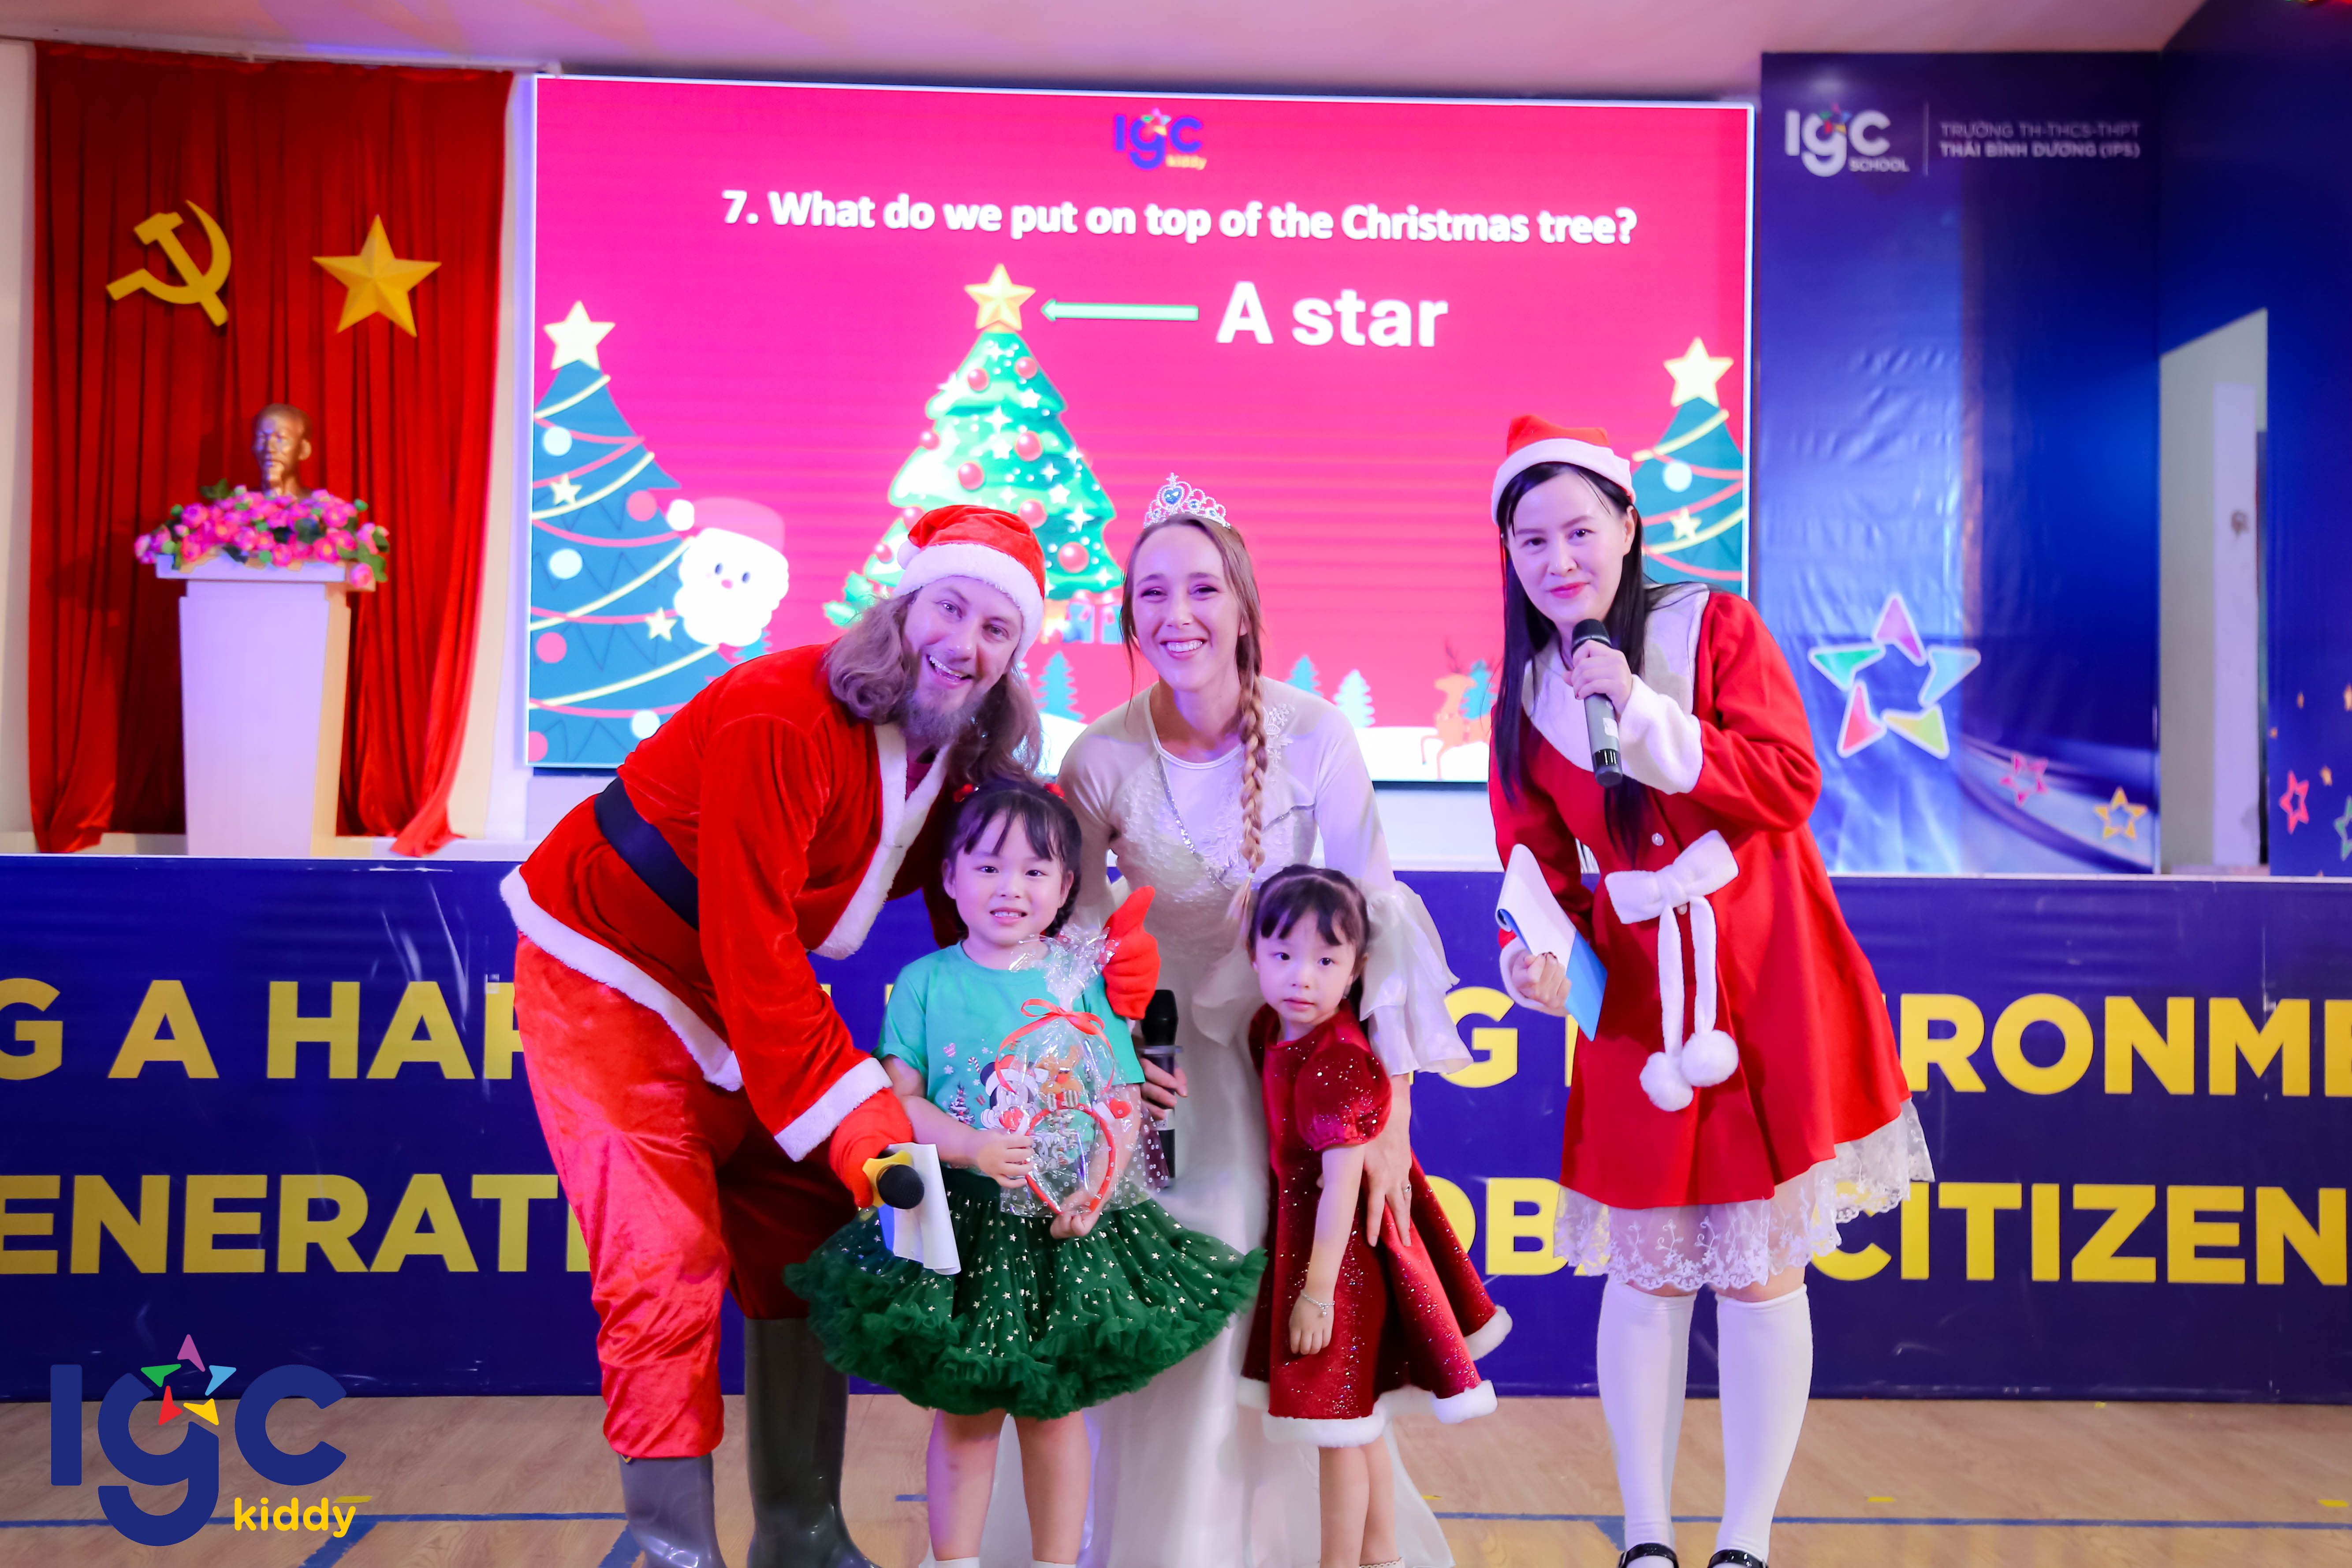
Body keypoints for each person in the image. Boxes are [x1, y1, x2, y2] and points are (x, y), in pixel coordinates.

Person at [503, 505, 1158, 1568]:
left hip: (737, 999)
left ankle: (800, 1533)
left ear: (1014, 657)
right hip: (607, 977)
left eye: (997, 629)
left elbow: (997, 924)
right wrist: (879, 1142)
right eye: (950, 608)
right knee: (662, 1258)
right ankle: (672, 1548)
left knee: (809, 1230)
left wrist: (1092, 988)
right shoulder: (780, 714)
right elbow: (756, 953)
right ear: (902, 605)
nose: (966, 644)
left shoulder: (960, 759)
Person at [982, 475, 1467, 1568]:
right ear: (1128, 615)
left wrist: (1389, 1113)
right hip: (1156, 1072)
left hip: (1291, 1071)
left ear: (1245, 606)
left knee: (1271, 1263)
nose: (1178, 614)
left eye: (1202, 588)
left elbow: (1376, 916)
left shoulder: (1317, 735)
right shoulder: (1099, 756)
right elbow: (1081, 946)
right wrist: (1112, 1088)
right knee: (1164, 1264)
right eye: (1152, 593)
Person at [1482, 417, 1930, 1568]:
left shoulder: (1711, 627)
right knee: (1646, 1266)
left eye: (1580, 530)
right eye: (1531, 539)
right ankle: (1645, 1534)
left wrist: (1639, 709)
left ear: (1629, 527)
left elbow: (1788, 783)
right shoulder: (1523, 695)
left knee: (1760, 1265)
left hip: (1761, 966)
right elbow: (1536, 865)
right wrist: (1536, 958)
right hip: (1638, 998)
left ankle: (1745, 1539)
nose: (1557, 559)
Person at [787, 779, 1263, 1568]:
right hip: (964, 1227)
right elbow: (901, 1101)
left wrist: (1095, 1189)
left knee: (1054, 1414)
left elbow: (1118, 1098)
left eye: (1035, 870)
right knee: (967, 1415)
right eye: (988, 867)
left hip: (1063, 1229)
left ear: (1066, 884)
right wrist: (970, 1146)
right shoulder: (925, 982)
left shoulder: (1081, 980)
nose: (1010, 887)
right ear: (949, 876)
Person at [1239, 865, 1507, 1568]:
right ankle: (1382, 1555)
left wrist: (1318, 1292)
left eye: (1326, 960)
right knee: (1358, 1424)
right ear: (1253, 954)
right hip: (1314, 1247)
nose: (1302, 976)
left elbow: (1341, 1187)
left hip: (1339, 1261)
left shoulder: (1337, 1061)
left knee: (1338, 1429)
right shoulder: (1271, 1028)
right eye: (1283, 954)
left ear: (1357, 968)